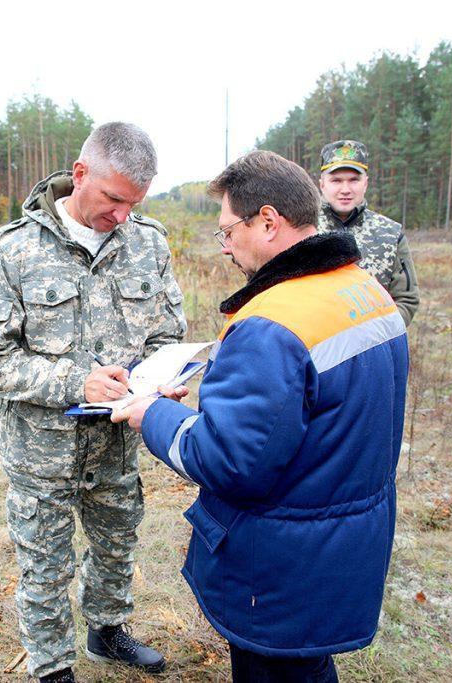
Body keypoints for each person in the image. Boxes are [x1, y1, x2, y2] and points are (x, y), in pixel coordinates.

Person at [114, 150, 409, 682]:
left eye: (228, 230)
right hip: (343, 543)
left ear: (268, 221)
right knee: (309, 667)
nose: (224, 245)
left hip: (279, 564)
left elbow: (229, 461)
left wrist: (150, 414)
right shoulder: (366, 291)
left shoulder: (271, 324)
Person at [0, 122, 186, 682]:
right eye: (113, 200)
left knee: (117, 543)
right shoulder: (16, 249)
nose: (122, 217)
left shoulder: (149, 243)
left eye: (135, 203)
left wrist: (161, 379)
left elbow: (166, 333)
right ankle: (52, 666)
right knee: (45, 565)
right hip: (43, 454)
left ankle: (107, 631)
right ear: (80, 175)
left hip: (117, 442)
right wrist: (74, 383)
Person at [317, 139, 419, 326]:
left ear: (366, 183)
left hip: (373, 348)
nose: (345, 189)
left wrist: (376, 337)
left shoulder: (390, 233)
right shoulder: (302, 229)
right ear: (322, 184)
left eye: (354, 180)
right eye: (336, 181)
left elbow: (407, 300)